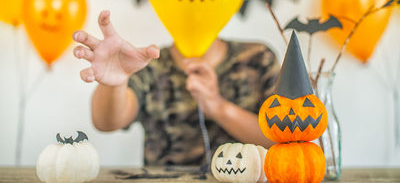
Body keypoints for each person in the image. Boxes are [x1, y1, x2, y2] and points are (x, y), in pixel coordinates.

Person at [73, 10, 280, 165]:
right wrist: (116, 82)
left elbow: (282, 140)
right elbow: (106, 122)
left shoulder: (259, 58)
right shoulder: (149, 64)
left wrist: (218, 107)